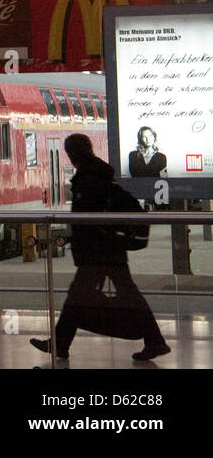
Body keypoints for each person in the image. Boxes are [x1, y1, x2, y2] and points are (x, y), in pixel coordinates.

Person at [30, 133, 169, 364]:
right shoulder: (98, 172)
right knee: (118, 294)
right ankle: (154, 341)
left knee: (79, 297)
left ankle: (60, 344)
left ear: (72, 153)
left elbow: (88, 219)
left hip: (98, 250)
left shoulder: (88, 176)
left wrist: (82, 245)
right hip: (108, 247)